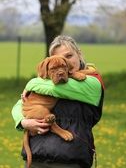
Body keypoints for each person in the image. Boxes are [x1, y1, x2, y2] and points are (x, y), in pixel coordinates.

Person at [12, 35, 104, 168]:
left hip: (69, 158)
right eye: (59, 59)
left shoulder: (92, 81)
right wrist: (23, 122)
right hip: (37, 155)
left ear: (79, 54)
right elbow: (19, 105)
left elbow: (56, 88)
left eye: (69, 55)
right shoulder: (46, 81)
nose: (65, 62)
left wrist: (31, 83)